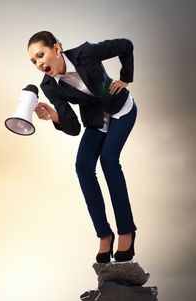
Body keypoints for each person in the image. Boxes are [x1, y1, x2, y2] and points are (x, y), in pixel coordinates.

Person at [27, 31, 137, 263]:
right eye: (33, 61)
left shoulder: (86, 53)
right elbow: (74, 128)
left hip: (121, 109)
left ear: (56, 49)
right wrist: (55, 117)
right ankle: (104, 234)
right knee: (83, 167)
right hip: (96, 121)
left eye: (40, 55)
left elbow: (125, 45)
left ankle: (126, 230)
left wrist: (125, 78)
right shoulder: (49, 86)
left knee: (108, 160)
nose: (38, 64)